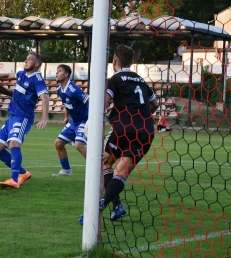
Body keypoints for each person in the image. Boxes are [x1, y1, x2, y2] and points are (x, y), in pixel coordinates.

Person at [79, 45, 159, 225]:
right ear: (132, 62)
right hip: (145, 131)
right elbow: (154, 105)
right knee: (120, 173)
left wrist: (94, 120)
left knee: (105, 162)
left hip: (122, 128)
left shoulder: (114, 79)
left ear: (114, 61)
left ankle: (106, 206)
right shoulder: (141, 80)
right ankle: (111, 205)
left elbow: (104, 101)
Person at [0, 52, 49, 188]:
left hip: (23, 116)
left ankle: (14, 179)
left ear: (36, 64)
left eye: (29, 59)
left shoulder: (37, 78)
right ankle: (23, 173)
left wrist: (44, 118)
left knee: (13, 144)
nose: (25, 61)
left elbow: (45, 97)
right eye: (26, 58)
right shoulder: (22, 74)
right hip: (13, 116)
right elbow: (6, 76)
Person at [52, 64, 89, 176]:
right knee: (58, 143)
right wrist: (66, 117)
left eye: (59, 71)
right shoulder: (59, 90)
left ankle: (97, 169)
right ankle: (66, 170)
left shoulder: (73, 89)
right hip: (74, 121)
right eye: (56, 71)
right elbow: (66, 104)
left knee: (79, 145)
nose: (56, 73)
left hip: (84, 120)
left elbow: (88, 99)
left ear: (66, 74)